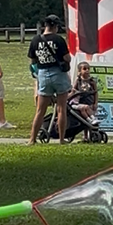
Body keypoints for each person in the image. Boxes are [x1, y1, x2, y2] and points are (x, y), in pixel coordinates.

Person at [27, 15, 71, 145]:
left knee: (40, 110)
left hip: (43, 74)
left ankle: (32, 139)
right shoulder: (59, 40)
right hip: (58, 74)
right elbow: (67, 58)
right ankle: (62, 139)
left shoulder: (35, 40)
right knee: (61, 109)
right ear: (55, 26)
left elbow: (33, 60)